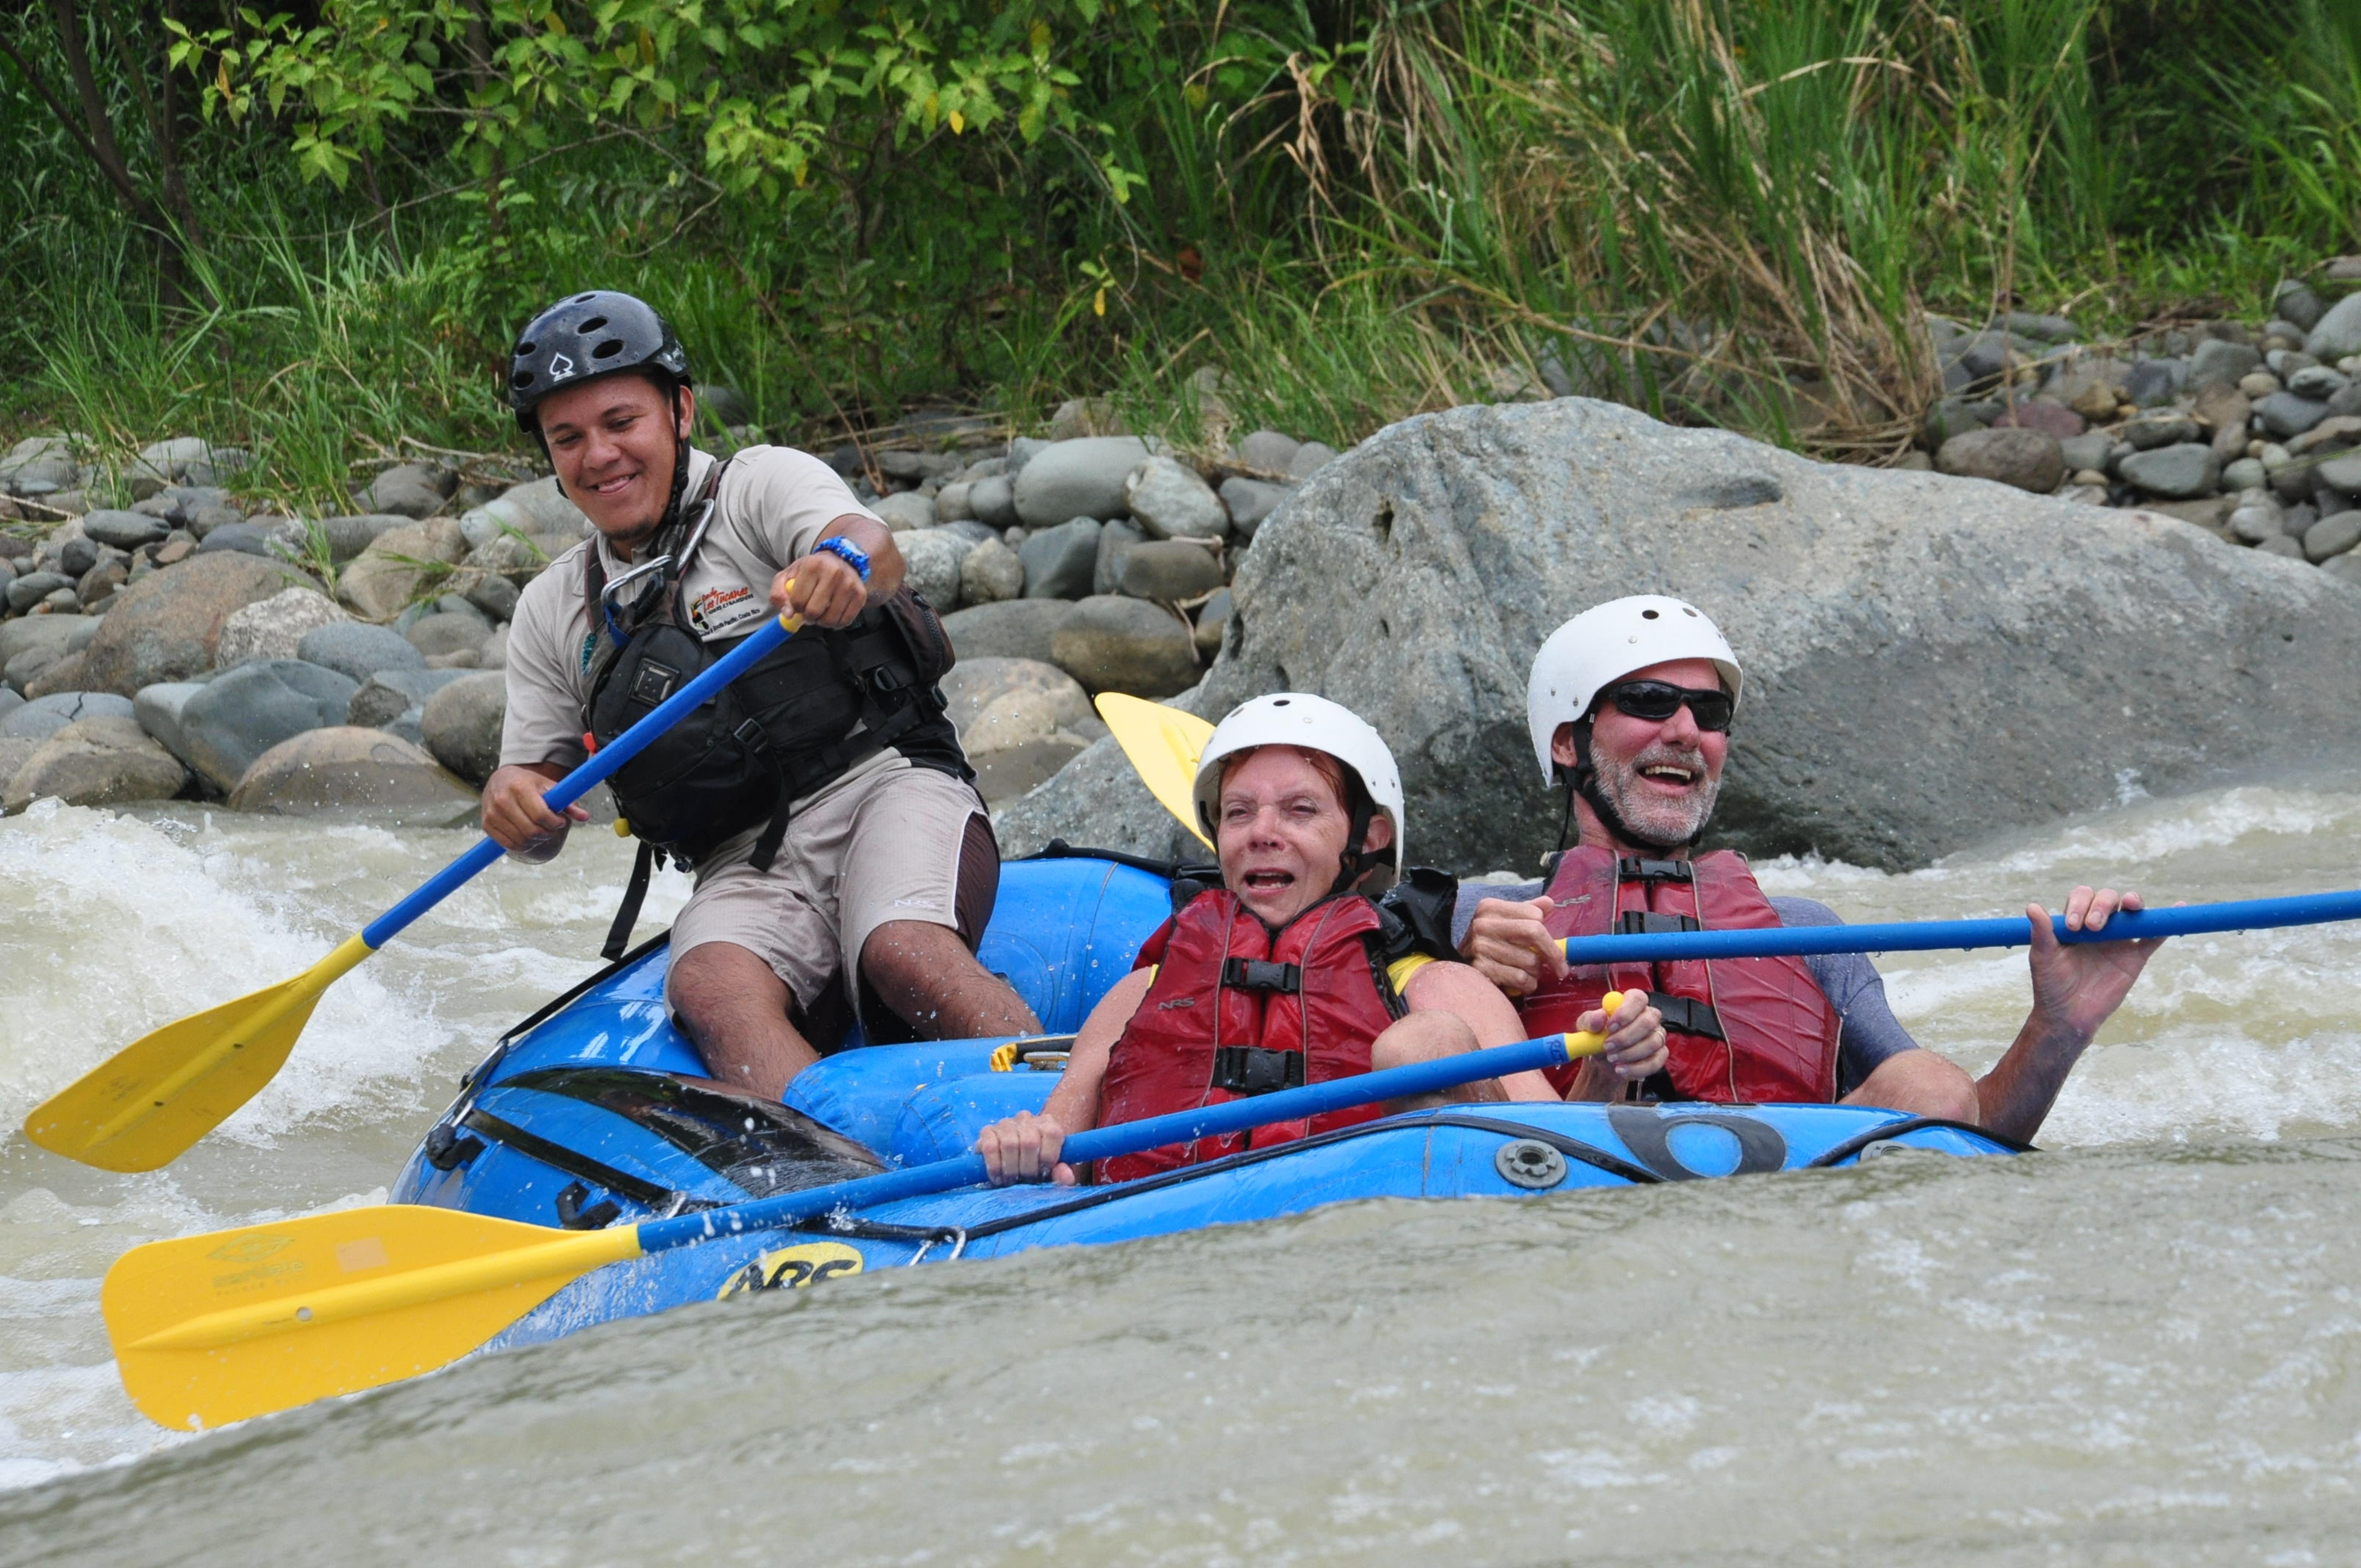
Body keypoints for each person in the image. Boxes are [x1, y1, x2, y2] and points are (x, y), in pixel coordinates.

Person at [482, 289, 1040, 1100]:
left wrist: (838, 566)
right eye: (568, 439)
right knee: (709, 987)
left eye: (620, 422)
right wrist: (512, 802)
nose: (598, 455)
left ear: (678, 411)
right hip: (744, 861)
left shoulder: (757, 488)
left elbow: (875, 552)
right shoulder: (554, 609)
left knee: (901, 953)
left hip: (888, 781)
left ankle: (1070, 1107)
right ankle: (836, 1176)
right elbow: (534, 808)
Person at [1458, 595, 2166, 1143]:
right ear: (1565, 742)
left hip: (1784, 1184)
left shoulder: (1804, 932)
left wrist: (2057, 1026)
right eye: (1648, 702)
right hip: (1562, 1165)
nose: (1684, 731)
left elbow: (1965, 1128)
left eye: (1709, 712)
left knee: (1926, 1082)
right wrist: (1458, 951)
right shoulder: (1481, 921)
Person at [973, 694, 1662, 1185]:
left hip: (1356, 1236)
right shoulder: (1141, 992)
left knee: (1424, 1047)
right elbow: (1057, 1140)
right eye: (1240, 813)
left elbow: (1563, 1157)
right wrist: (1023, 1143)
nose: (1262, 832)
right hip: (1156, 1237)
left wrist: (1607, 1071)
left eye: (1301, 810)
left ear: (1369, 835)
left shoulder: (1434, 986)